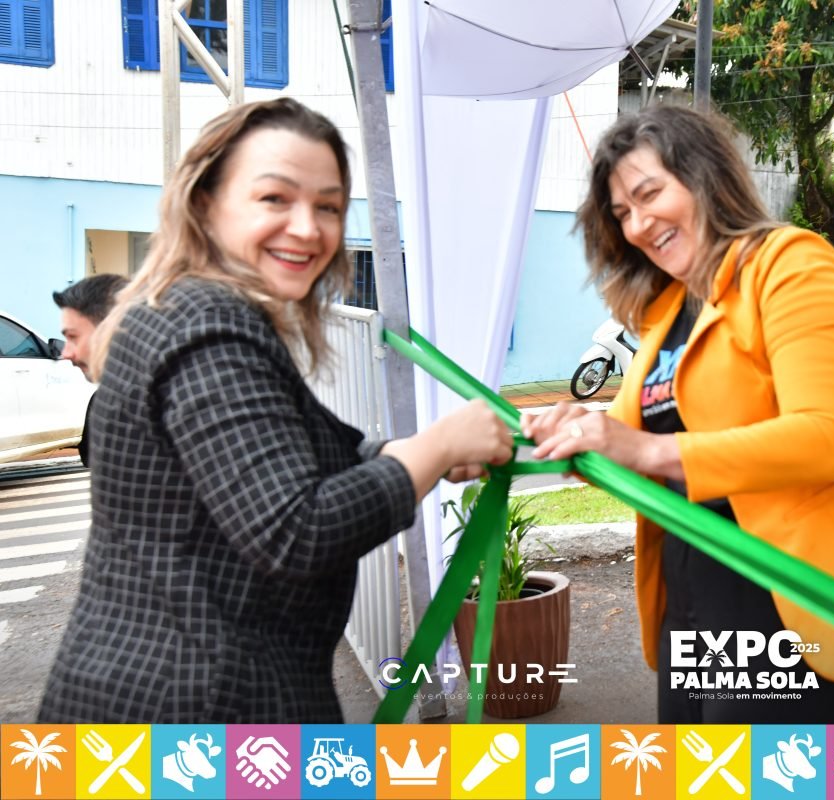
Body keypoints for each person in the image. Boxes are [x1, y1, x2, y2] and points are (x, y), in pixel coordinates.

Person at [37, 98, 512, 723]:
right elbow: (296, 531)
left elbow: (270, 463)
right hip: (201, 714)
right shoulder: (208, 328)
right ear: (206, 205)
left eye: (328, 207)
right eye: (274, 199)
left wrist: (402, 456)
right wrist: (438, 446)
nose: (308, 228)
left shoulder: (184, 310)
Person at [522, 105, 834, 724]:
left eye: (649, 194)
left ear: (704, 175)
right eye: (622, 213)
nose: (637, 225)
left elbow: (826, 438)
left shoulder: (792, 265)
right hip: (690, 600)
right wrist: (572, 430)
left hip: (789, 602)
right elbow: (626, 437)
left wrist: (650, 451)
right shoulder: (669, 310)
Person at [52, 274, 129, 466]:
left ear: (111, 331)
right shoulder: (107, 400)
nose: (66, 353)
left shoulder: (174, 398)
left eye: (73, 337)